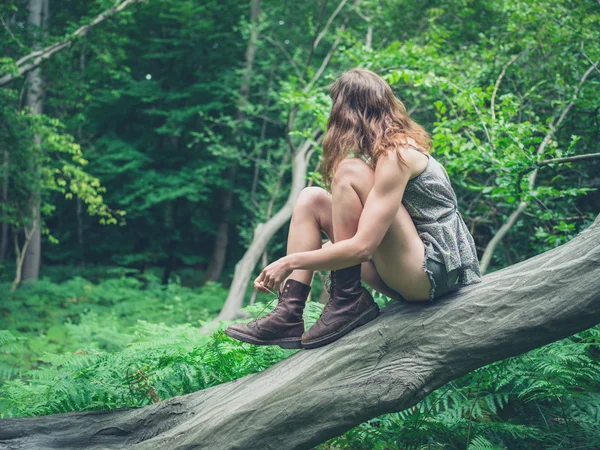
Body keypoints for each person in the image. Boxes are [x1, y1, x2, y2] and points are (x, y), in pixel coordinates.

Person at [225, 68, 481, 350]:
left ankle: (347, 302)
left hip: (431, 273)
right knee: (311, 198)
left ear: (349, 113)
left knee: (349, 170)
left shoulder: (398, 154)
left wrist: (289, 262)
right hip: (408, 274)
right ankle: (289, 313)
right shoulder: (384, 153)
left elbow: (361, 249)